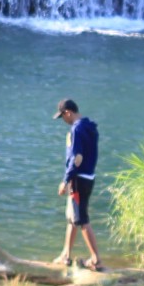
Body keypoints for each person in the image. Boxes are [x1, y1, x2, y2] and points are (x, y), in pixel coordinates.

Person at [53, 98, 103, 271]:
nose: (63, 121)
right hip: (88, 176)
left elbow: (76, 158)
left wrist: (65, 180)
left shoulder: (76, 129)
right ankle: (66, 254)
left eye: (63, 117)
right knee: (72, 217)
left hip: (78, 179)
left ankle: (96, 259)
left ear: (68, 112)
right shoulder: (89, 126)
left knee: (81, 219)